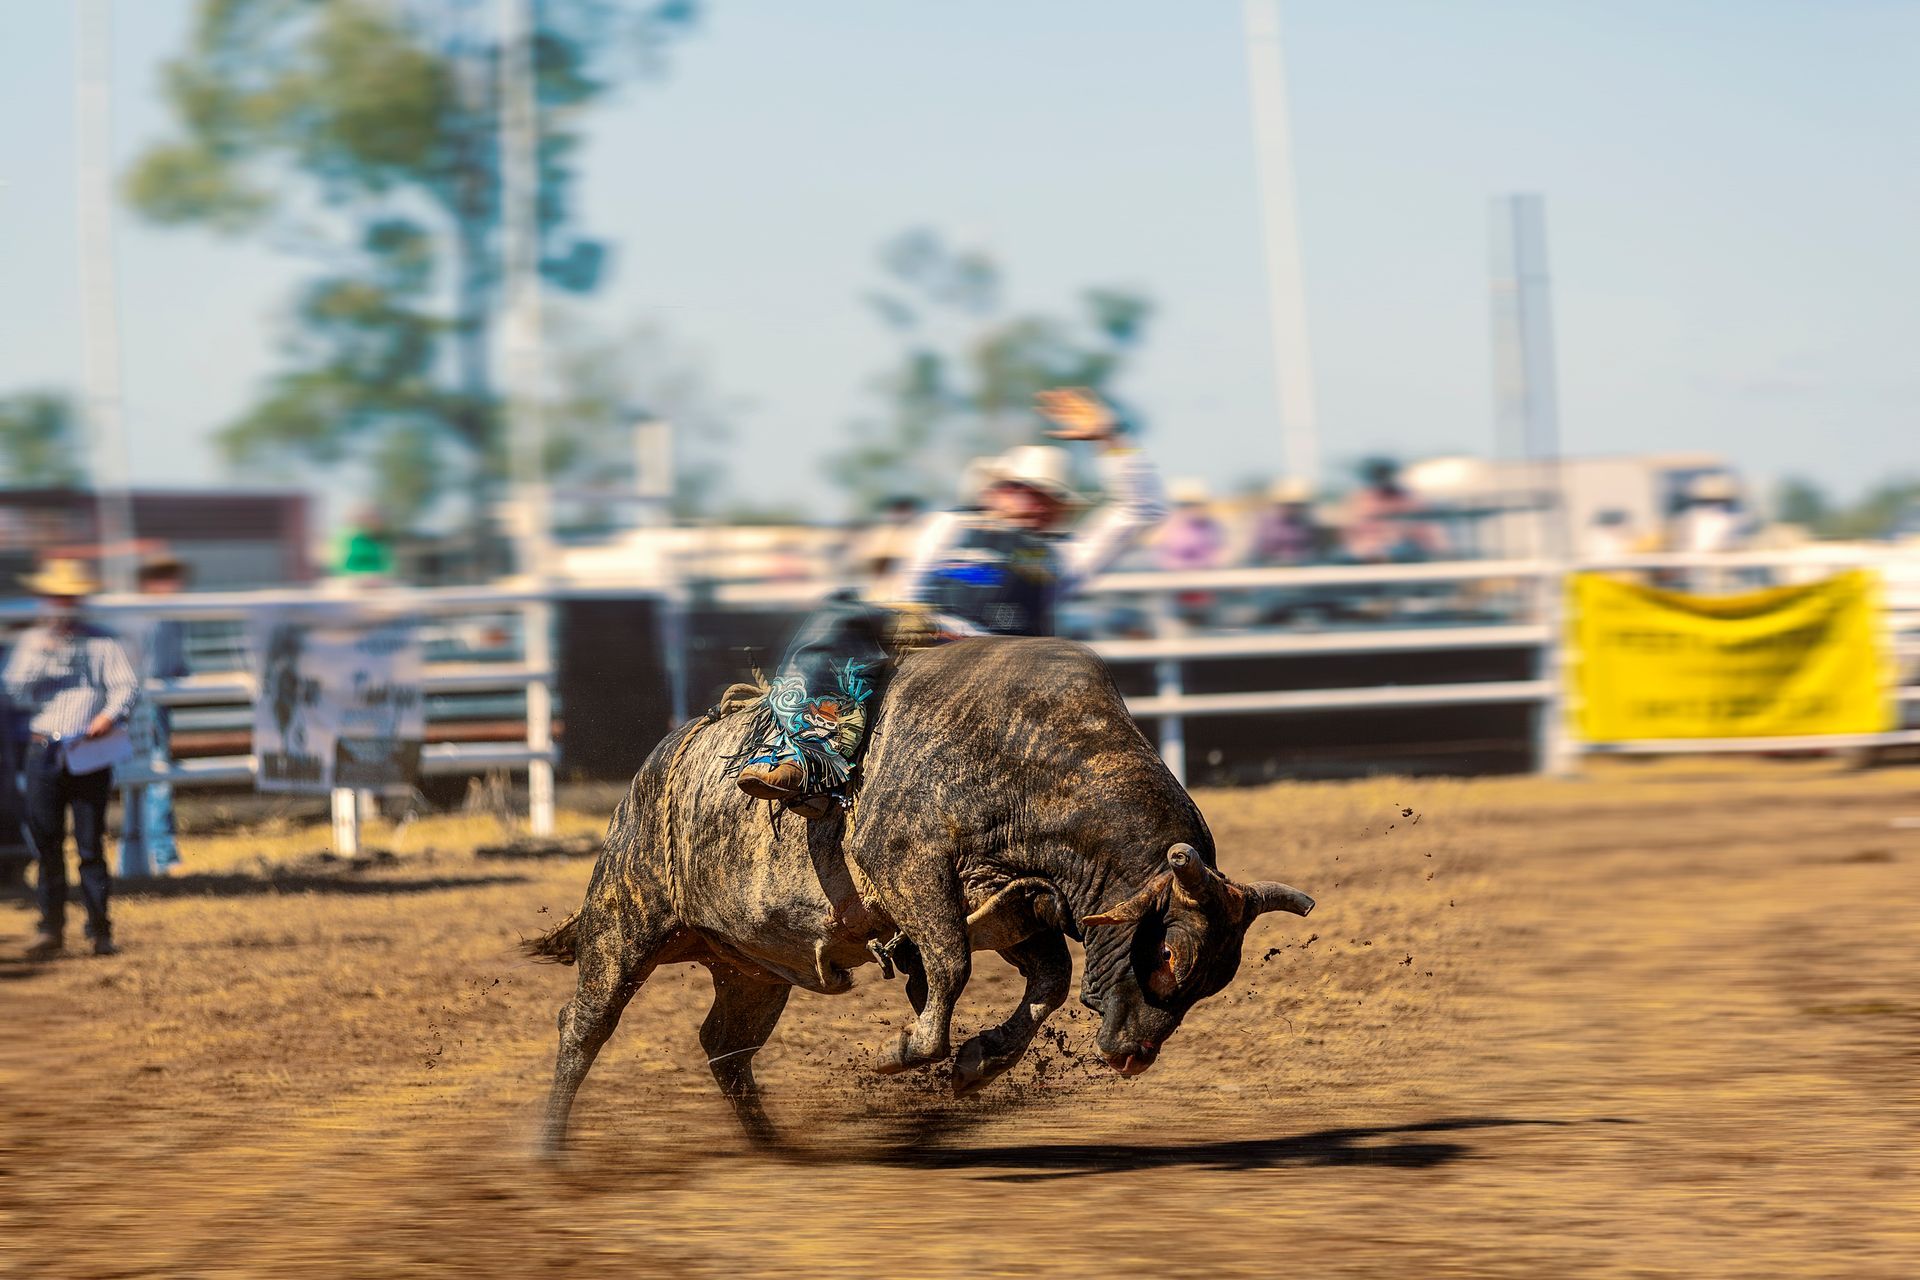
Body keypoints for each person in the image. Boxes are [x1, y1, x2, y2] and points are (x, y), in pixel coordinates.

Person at [733, 387, 1166, 813]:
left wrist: (1110, 439)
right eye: (1017, 488)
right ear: (995, 491)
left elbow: (1140, 509)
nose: (1026, 500)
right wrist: (914, 622)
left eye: (1040, 494)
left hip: (1013, 665)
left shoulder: (1066, 556)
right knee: (843, 612)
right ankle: (805, 758)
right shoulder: (948, 528)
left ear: (1054, 508)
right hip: (927, 642)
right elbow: (905, 591)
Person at [3, 559, 140, 958]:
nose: (61, 605)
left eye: (68, 597)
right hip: (44, 747)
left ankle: (99, 930)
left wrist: (107, 716)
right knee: (47, 843)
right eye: (56, 597)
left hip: (86, 749)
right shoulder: (32, 645)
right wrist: (42, 655)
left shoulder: (101, 642)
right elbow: (13, 689)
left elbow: (126, 687)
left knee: (89, 844)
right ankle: (51, 928)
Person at [120, 556, 191, 874]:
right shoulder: (161, 617)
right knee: (157, 775)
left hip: (144, 702)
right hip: (149, 703)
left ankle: (141, 855)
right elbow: (166, 664)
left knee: (145, 778)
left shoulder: (151, 615)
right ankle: (161, 854)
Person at [1249, 477, 1321, 566]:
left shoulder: (1307, 524)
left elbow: (1314, 550)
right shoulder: (1265, 523)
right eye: (1288, 504)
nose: (1292, 508)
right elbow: (1258, 550)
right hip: (1269, 566)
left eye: (1296, 505)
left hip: (1302, 566)